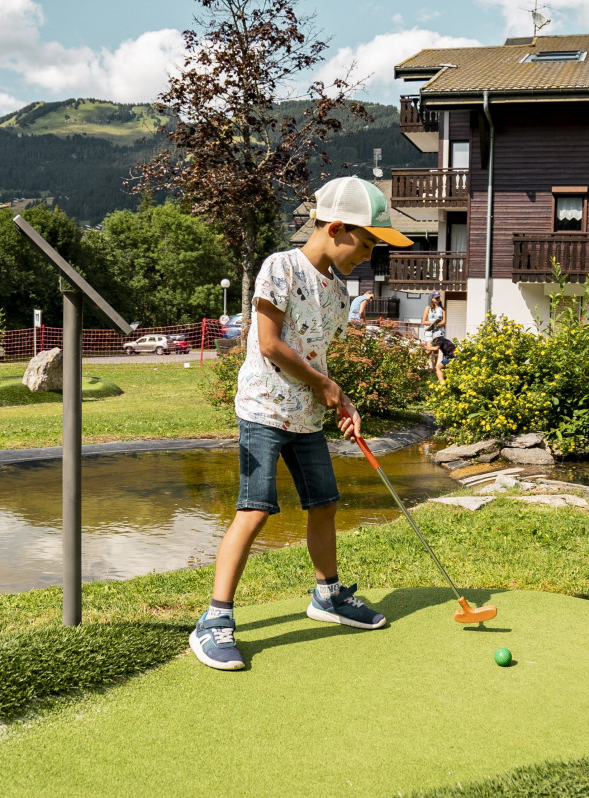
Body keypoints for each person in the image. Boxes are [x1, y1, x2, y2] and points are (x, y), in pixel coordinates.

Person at [190, 176, 413, 671]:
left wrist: (341, 400)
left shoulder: (338, 292)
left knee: (325, 503)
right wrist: (324, 386)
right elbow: (269, 344)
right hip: (264, 408)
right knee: (255, 509)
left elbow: (317, 358)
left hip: (309, 417)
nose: (370, 255)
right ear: (336, 227)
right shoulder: (280, 268)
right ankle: (214, 619)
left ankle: (327, 596)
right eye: (368, 241)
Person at [421, 293, 446, 369]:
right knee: (429, 350)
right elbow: (424, 321)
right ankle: (421, 359)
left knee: (436, 351)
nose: (437, 299)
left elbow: (444, 321)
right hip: (429, 331)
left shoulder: (442, 309)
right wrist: (433, 323)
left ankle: (434, 368)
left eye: (438, 297)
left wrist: (439, 324)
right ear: (432, 298)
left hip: (438, 332)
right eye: (436, 298)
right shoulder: (428, 308)